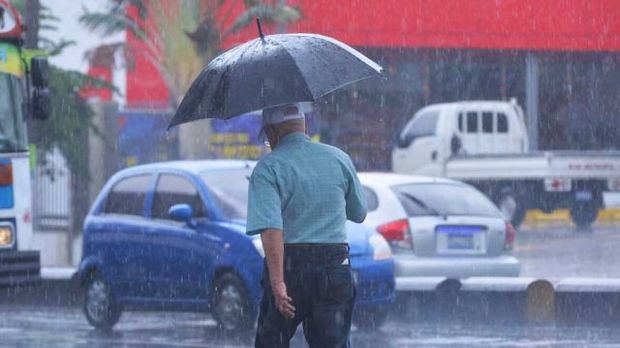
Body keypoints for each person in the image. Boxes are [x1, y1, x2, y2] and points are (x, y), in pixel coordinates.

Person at [247, 103, 367, 348]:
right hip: (334, 266)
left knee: (272, 343)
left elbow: (271, 228)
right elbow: (359, 213)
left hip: (289, 266)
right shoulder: (339, 158)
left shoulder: (268, 168)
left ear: (272, 131)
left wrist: (278, 282)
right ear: (305, 126)